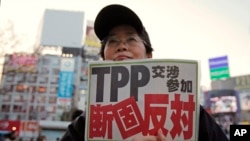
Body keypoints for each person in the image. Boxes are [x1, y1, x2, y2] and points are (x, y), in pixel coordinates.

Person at [61, 4, 229, 141]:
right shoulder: (89, 122)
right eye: (112, 41)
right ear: (103, 57)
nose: (121, 46)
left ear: (149, 55)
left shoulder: (187, 112)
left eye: (131, 39)